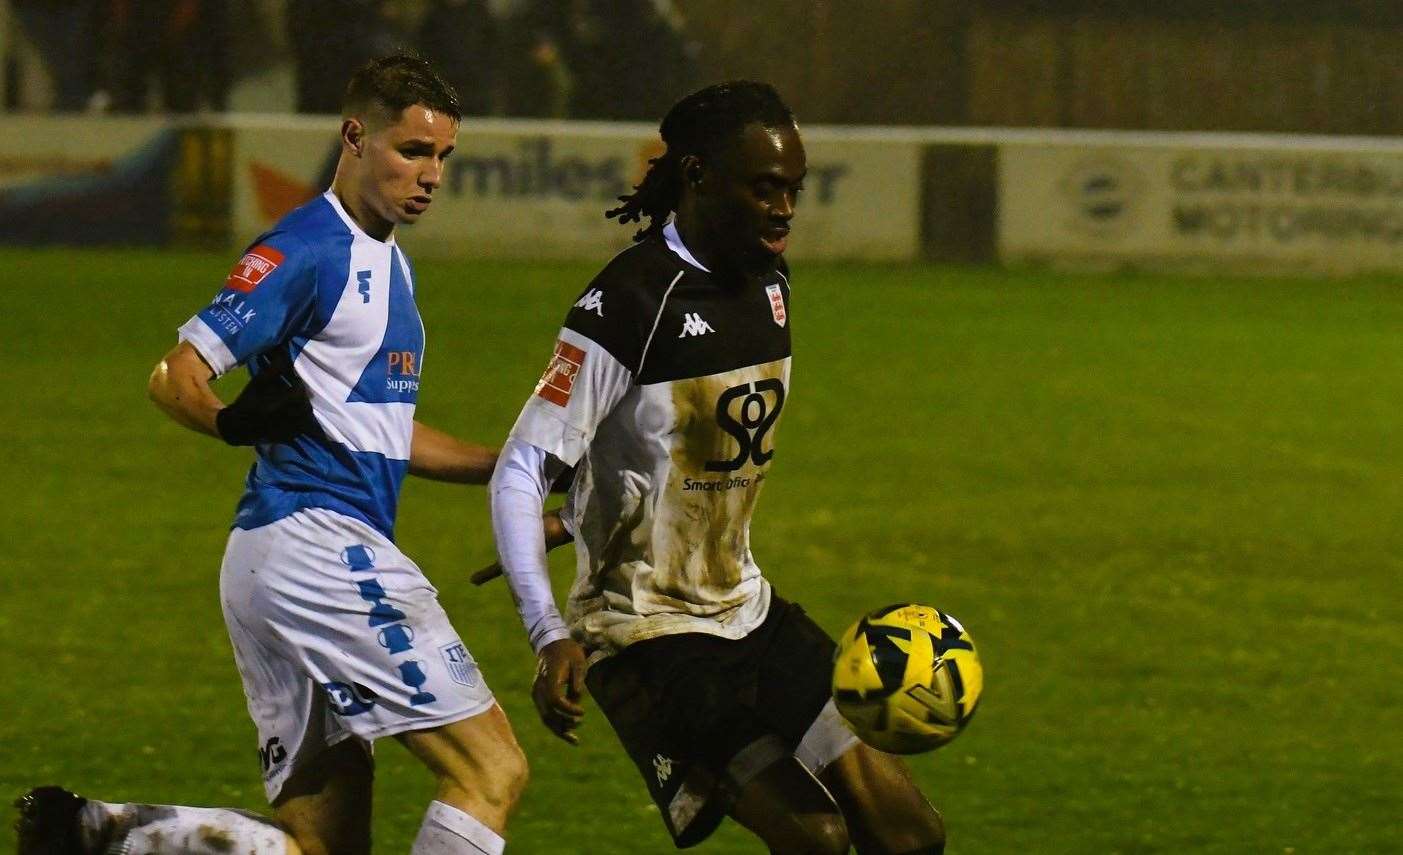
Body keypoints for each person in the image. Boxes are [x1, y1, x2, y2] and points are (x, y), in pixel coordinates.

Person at [16, 55, 527, 855]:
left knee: (322, 845)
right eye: (412, 151)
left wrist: (512, 462)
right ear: (354, 137)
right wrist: (230, 423)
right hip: (318, 547)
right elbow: (174, 374)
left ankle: (109, 833)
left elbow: (384, 430)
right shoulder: (304, 249)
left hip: (274, 561)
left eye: (443, 158)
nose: (431, 175)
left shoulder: (388, 261)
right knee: (491, 772)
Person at [488, 80, 949, 853]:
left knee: (909, 833)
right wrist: (546, 632)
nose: (784, 208)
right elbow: (520, 467)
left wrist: (584, 514)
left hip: (747, 608)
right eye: (764, 187)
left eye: (793, 190)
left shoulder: (770, 282)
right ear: (698, 175)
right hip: (645, 633)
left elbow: (663, 448)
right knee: (817, 837)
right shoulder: (628, 301)